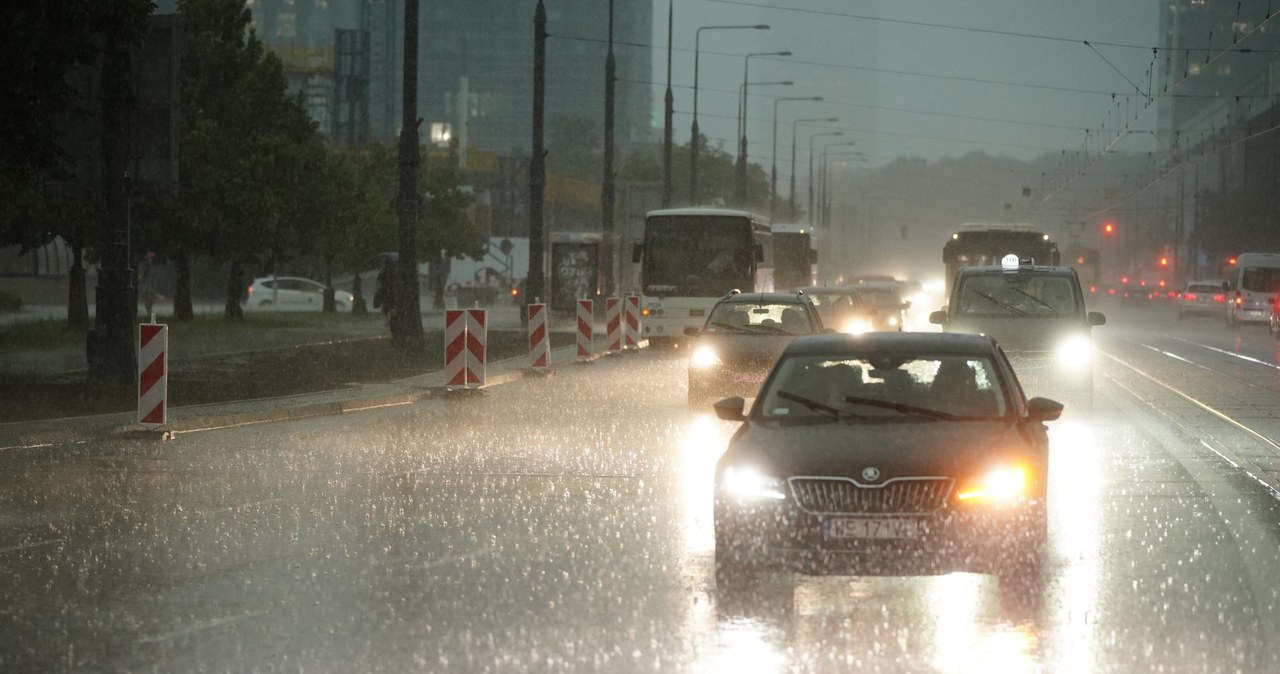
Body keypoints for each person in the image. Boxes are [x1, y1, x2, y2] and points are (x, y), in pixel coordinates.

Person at [374, 259, 397, 325]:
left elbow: (378, 282)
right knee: (391, 306)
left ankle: (388, 320)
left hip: (385, 292)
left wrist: (378, 289)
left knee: (386, 307)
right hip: (391, 291)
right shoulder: (394, 272)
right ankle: (390, 320)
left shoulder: (383, 272)